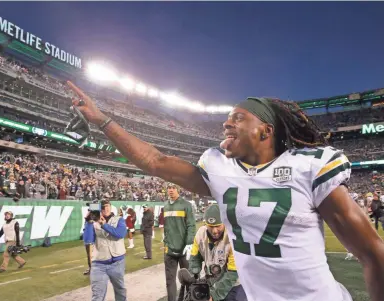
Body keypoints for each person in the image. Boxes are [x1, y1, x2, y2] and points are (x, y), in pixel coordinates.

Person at [67, 81, 384, 301]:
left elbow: (373, 254)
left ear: (265, 130)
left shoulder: (308, 166)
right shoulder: (219, 168)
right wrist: (101, 120)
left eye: (238, 119)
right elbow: (155, 160)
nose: (226, 125)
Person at [189, 204, 246, 301]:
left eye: (218, 226)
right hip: (211, 281)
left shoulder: (234, 238)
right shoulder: (200, 234)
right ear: (205, 224)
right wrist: (194, 273)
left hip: (233, 285)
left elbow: (233, 273)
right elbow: (194, 257)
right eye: (211, 226)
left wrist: (214, 295)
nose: (215, 231)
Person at [87, 200, 128, 301]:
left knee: (120, 291)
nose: (106, 208)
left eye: (107, 206)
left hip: (117, 262)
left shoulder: (119, 219)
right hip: (99, 264)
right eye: (103, 207)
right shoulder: (93, 222)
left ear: (110, 206)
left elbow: (120, 234)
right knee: (97, 295)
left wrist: (104, 225)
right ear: (99, 209)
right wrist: (87, 222)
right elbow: (88, 240)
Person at [162, 183, 196, 301]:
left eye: (173, 188)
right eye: (169, 188)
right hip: (169, 250)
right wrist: (166, 241)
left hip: (184, 250)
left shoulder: (186, 205)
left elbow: (191, 225)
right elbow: (167, 227)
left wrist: (189, 242)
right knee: (169, 281)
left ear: (178, 189)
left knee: (188, 280)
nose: (171, 190)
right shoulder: (165, 205)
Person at [83, 207, 94, 276]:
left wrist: (90, 211)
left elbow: (88, 218)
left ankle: (92, 270)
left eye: (89, 211)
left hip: (89, 239)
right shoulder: (90, 218)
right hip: (88, 238)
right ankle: (91, 268)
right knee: (89, 255)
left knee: (90, 255)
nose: (88, 212)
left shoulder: (90, 218)